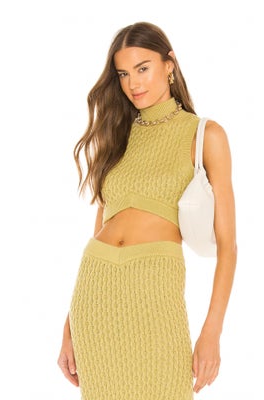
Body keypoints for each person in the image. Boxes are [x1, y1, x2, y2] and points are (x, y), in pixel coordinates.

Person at [57, 21, 237, 400]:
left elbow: (228, 246)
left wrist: (212, 331)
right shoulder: (117, 136)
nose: (133, 84)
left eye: (143, 68)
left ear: (169, 64)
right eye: (123, 74)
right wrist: (69, 327)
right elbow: (100, 226)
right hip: (96, 293)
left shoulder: (205, 135)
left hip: (157, 292)